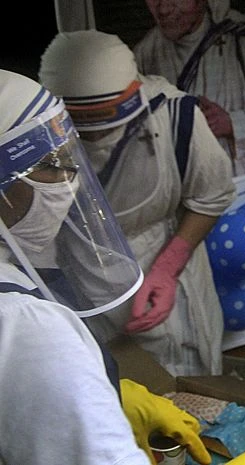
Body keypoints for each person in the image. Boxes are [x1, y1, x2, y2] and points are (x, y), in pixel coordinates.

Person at [0, 68, 209, 465]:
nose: (69, 182)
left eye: (69, 160)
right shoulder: (26, 324)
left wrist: (100, 395)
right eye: (50, 165)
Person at [39, 30, 237, 377]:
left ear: (133, 93)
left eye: (104, 120)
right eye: (83, 123)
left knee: (187, 384)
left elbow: (212, 196)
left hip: (164, 259)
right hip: (81, 274)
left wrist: (166, 269)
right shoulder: (34, 131)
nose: (96, 135)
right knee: (110, 383)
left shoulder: (177, 118)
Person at [133, 0, 245, 176]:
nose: (163, 9)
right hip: (190, 187)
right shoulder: (146, 53)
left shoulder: (242, 37)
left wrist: (230, 123)